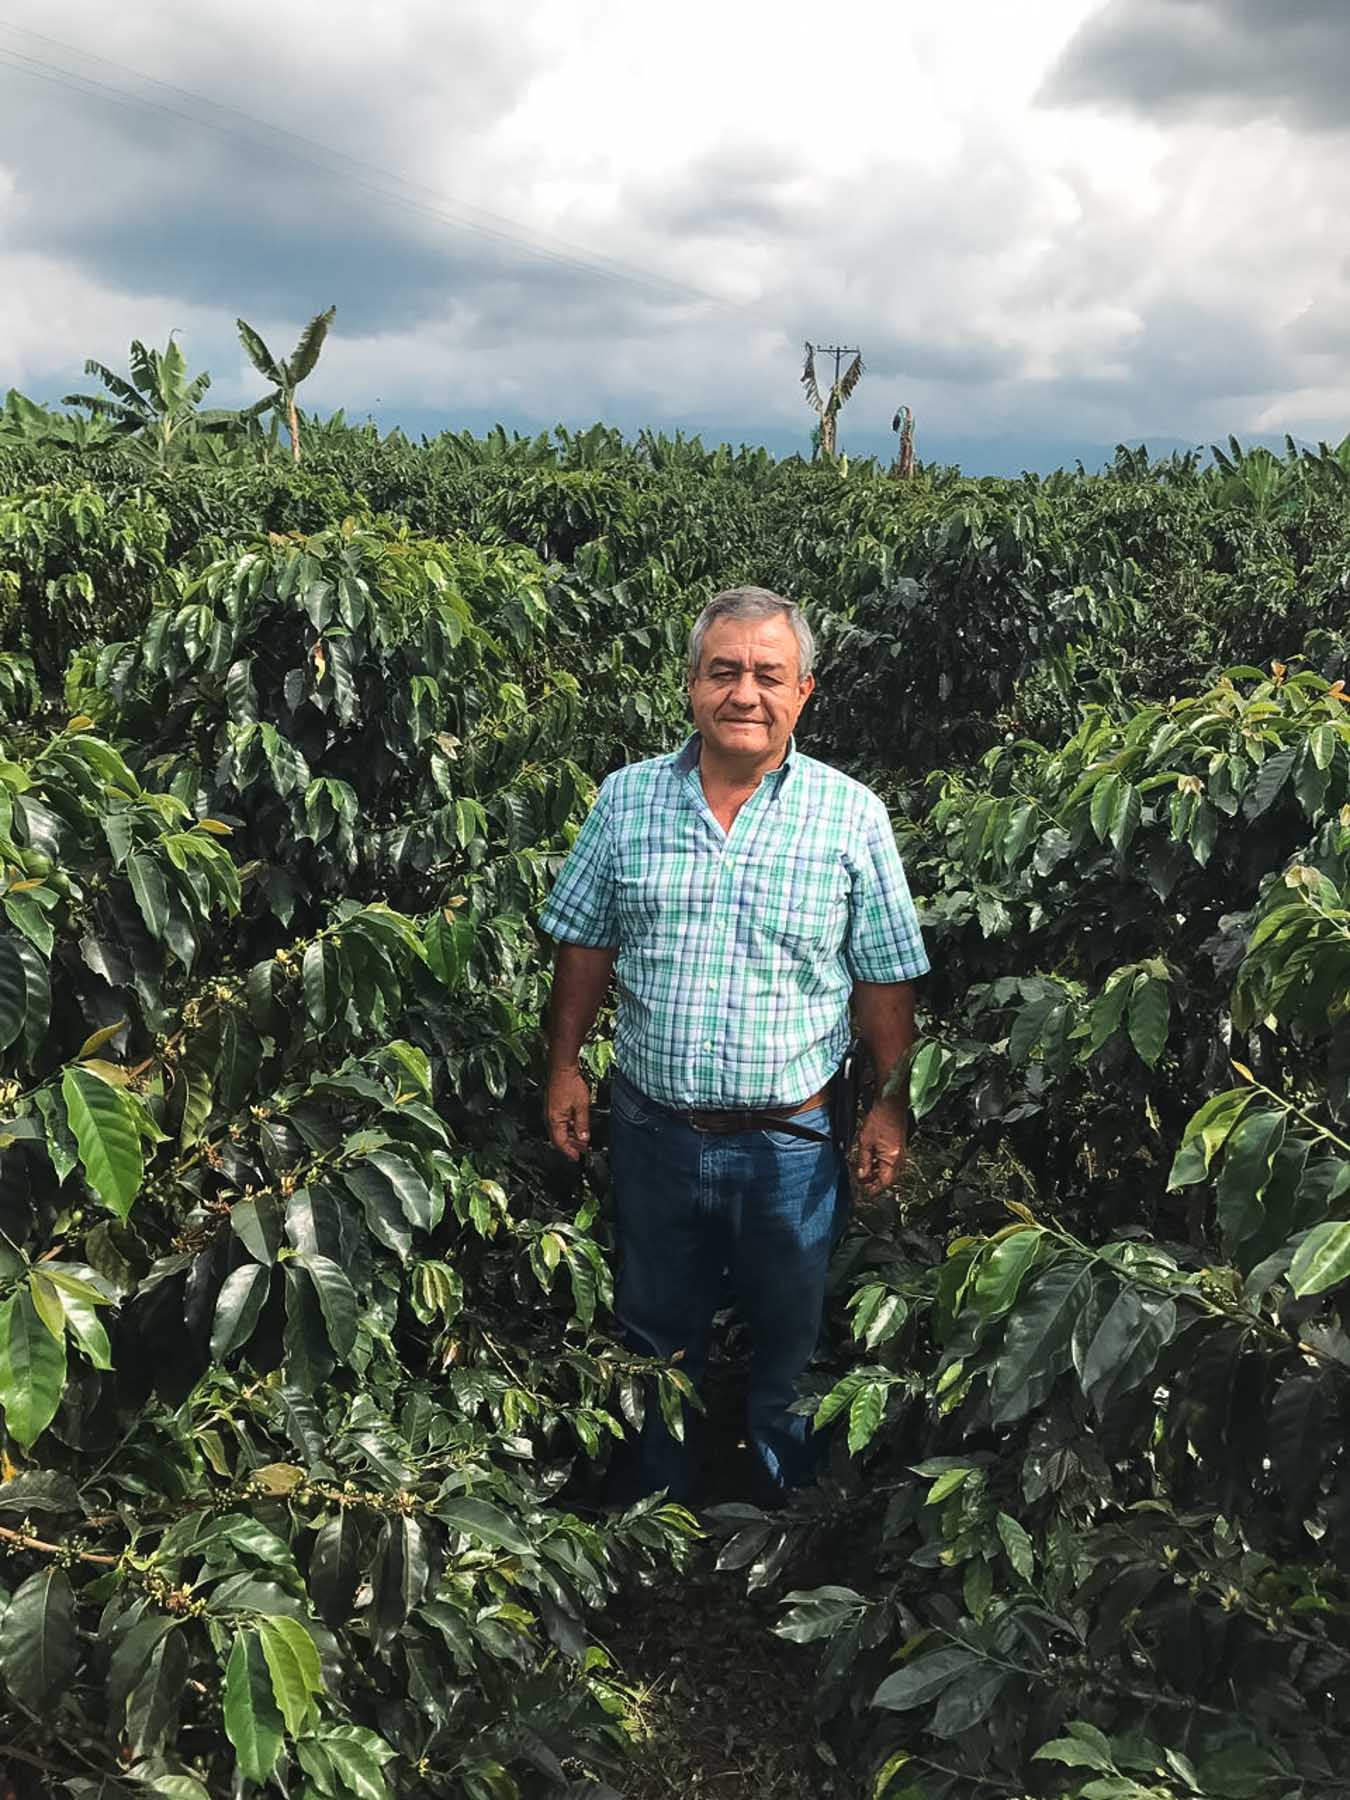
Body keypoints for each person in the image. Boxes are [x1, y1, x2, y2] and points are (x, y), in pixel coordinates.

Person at [539, 586, 928, 1504]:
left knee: (788, 1334)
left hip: (788, 1143)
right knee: (651, 1325)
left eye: (767, 675)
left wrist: (890, 1101)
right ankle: (652, 1504)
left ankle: (783, 1509)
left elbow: (883, 976)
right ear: (689, 687)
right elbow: (585, 944)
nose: (744, 693)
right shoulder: (627, 800)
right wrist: (563, 1064)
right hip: (655, 1130)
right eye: (724, 672)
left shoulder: (849, 815)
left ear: (805, 692)